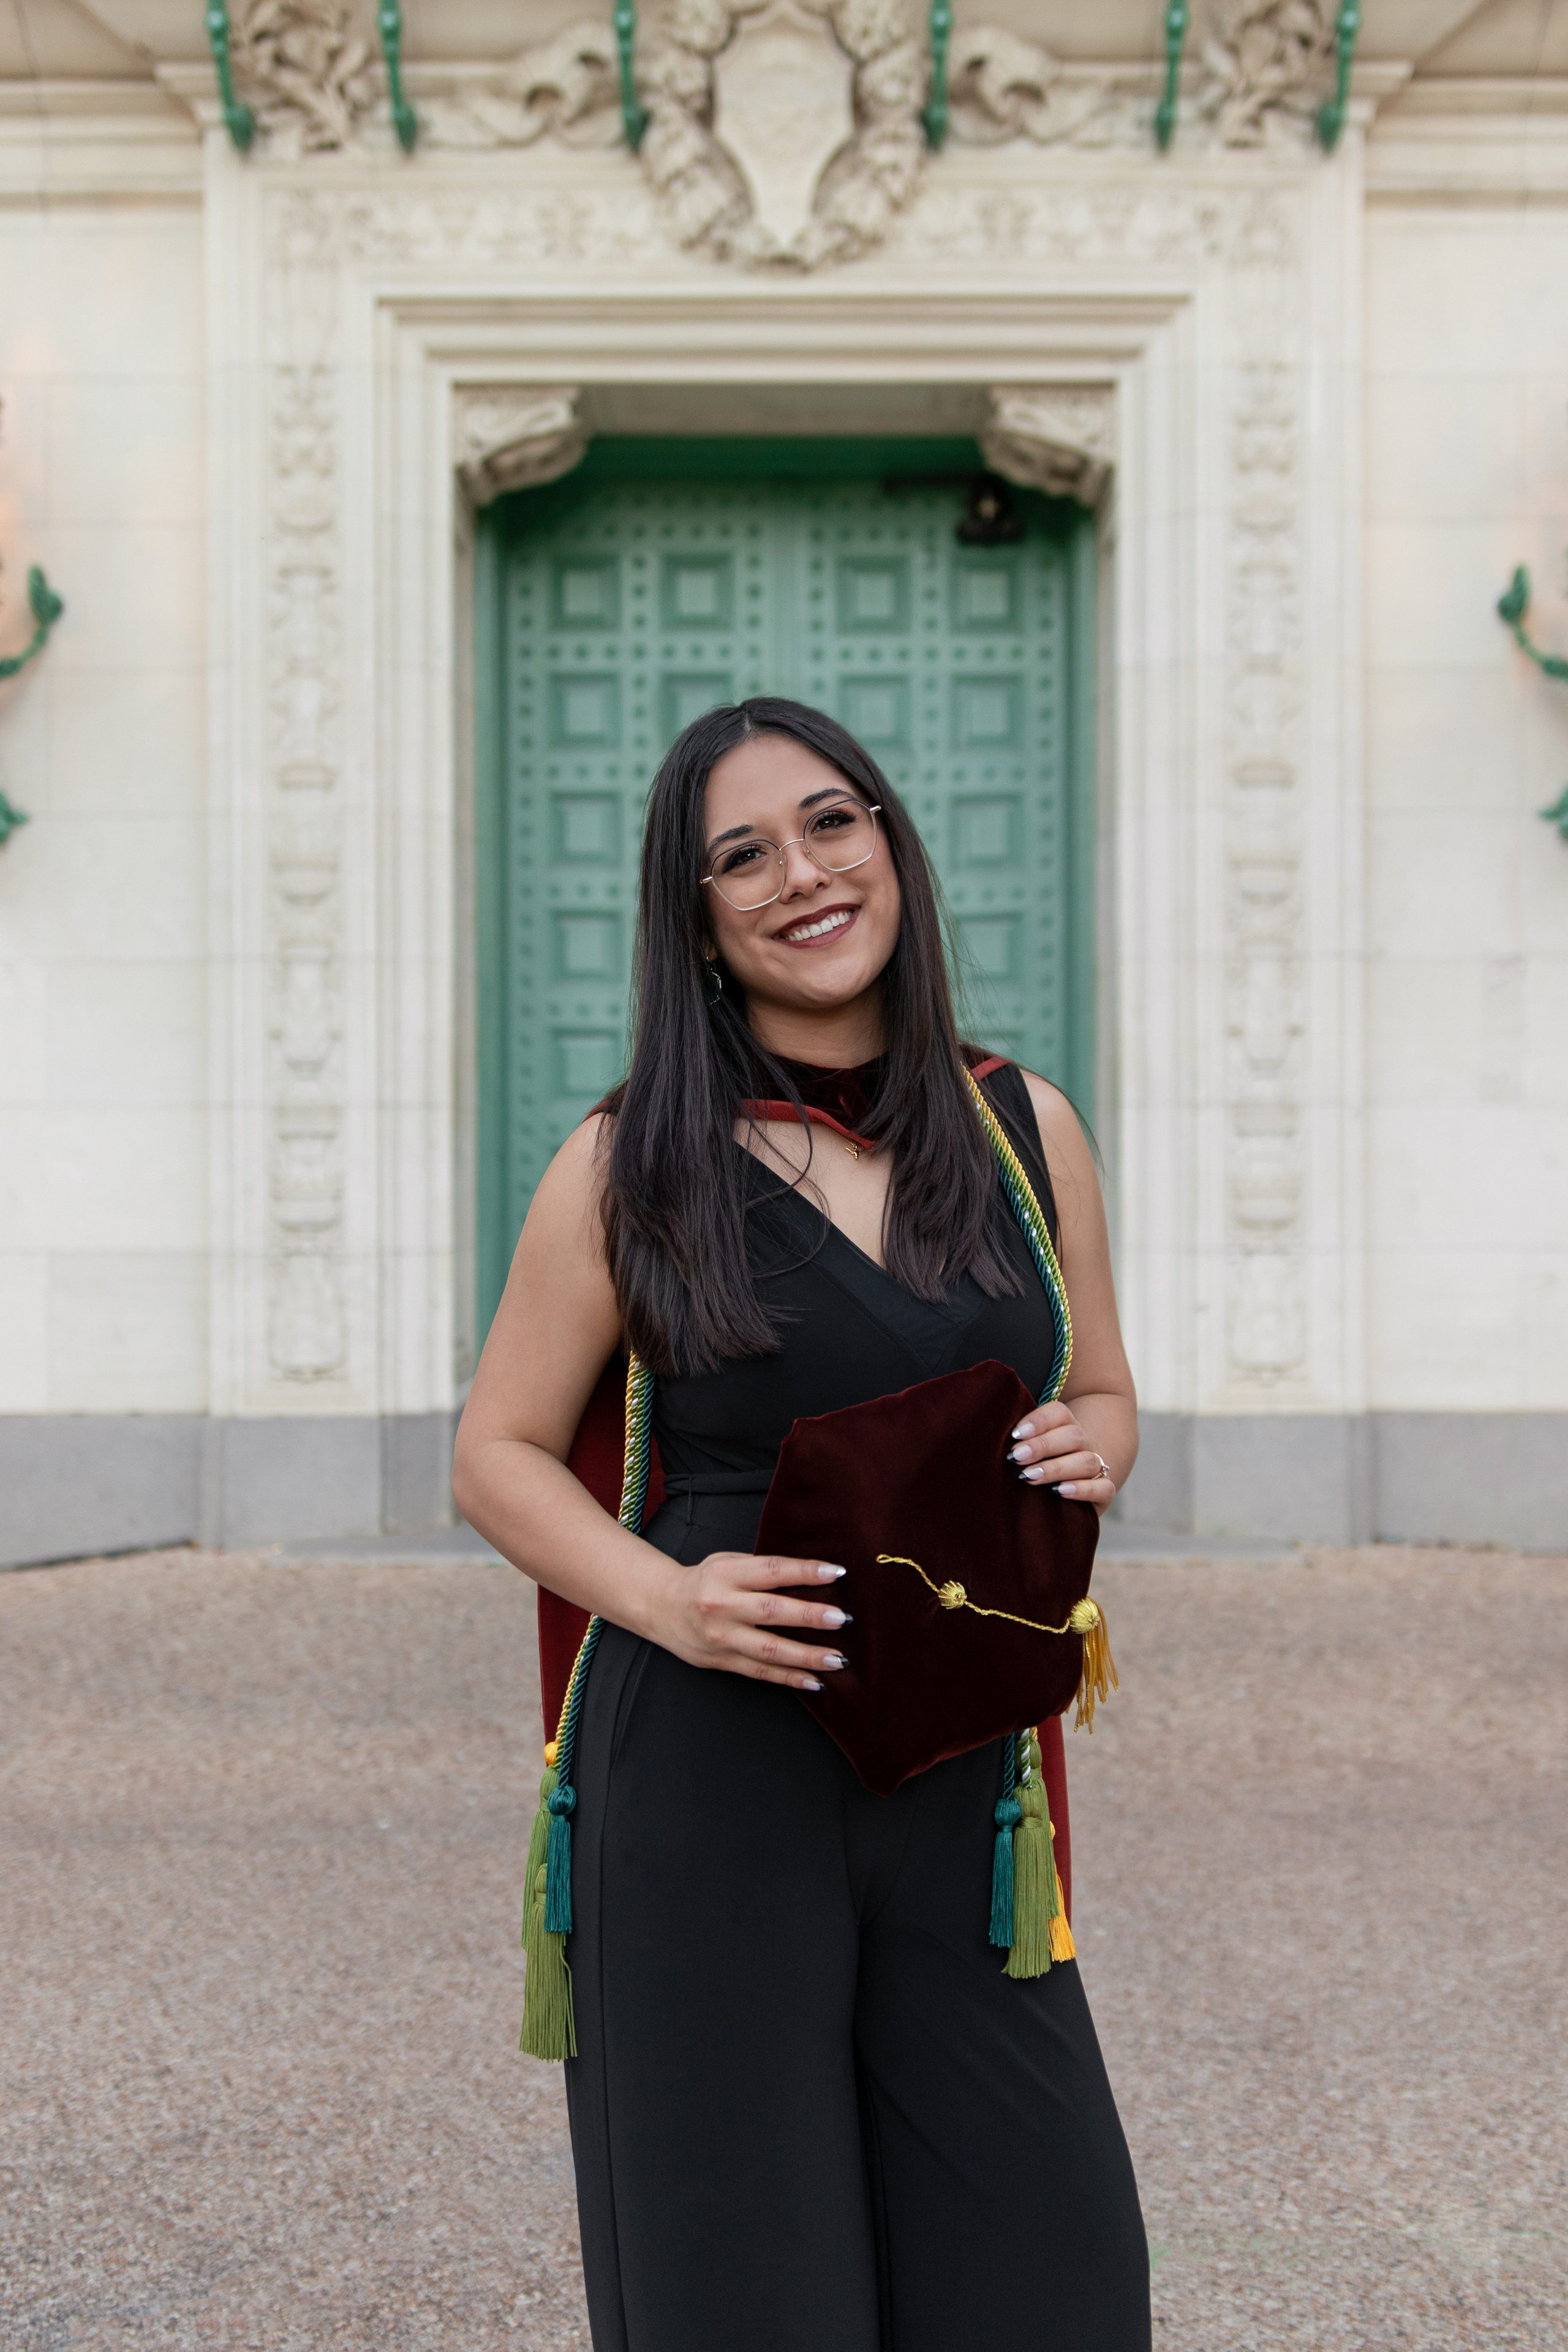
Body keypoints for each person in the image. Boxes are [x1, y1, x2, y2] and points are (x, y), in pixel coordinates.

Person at [453, 698, 1150, 2352]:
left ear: (893, 844)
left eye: (834, 824)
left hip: (961, 1783)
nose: (801, 875)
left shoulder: (1020, 1127)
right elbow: (496, 1454)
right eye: (740, 856)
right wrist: (667, 1601)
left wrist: (1096, 1446)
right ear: (694, 916)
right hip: (711, 1776)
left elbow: (1106, 1388)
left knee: (1050, 2279)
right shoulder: (632, 1162)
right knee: (746, 2293)